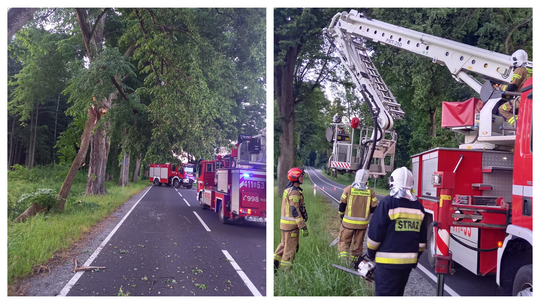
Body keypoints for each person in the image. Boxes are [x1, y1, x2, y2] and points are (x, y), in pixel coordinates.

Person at [366, 167, 428, 296]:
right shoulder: (419, 207)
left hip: (387, 264)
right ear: (411, 185)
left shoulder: (387, 203)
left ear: (392, 182)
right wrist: (414, 257)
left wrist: (370, 254)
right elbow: (422, 242)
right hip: (408, 264)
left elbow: (374, 236)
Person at [337, 169, 378, 265]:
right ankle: (356, 264)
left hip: (347, 224)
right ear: (366, 179)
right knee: (358, 246)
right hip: (362, 225)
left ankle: (343, 263)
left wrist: (341, 216)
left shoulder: (349, 189)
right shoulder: (370, 192)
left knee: (344, 242)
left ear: (356, 177)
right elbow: (374, 208)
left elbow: (342, 205)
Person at [274, 167, 309, 270]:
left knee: (283, 245)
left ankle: (274, 264)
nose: (302, 177)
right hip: (291, 227)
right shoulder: (294, 192)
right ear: (295, 177)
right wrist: (303, 226)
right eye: (300, 176)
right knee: (290, 249)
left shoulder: (287, 190)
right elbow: (295, 210)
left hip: (285, 225)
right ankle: (286, 273)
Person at [498, 50, 533, 126]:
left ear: (515, 60)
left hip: (523, 98)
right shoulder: (531, 70)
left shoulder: (519, 70)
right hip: (531, 97)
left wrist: (501, 87)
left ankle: (519, 125)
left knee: (502, 109)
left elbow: (512, 87)